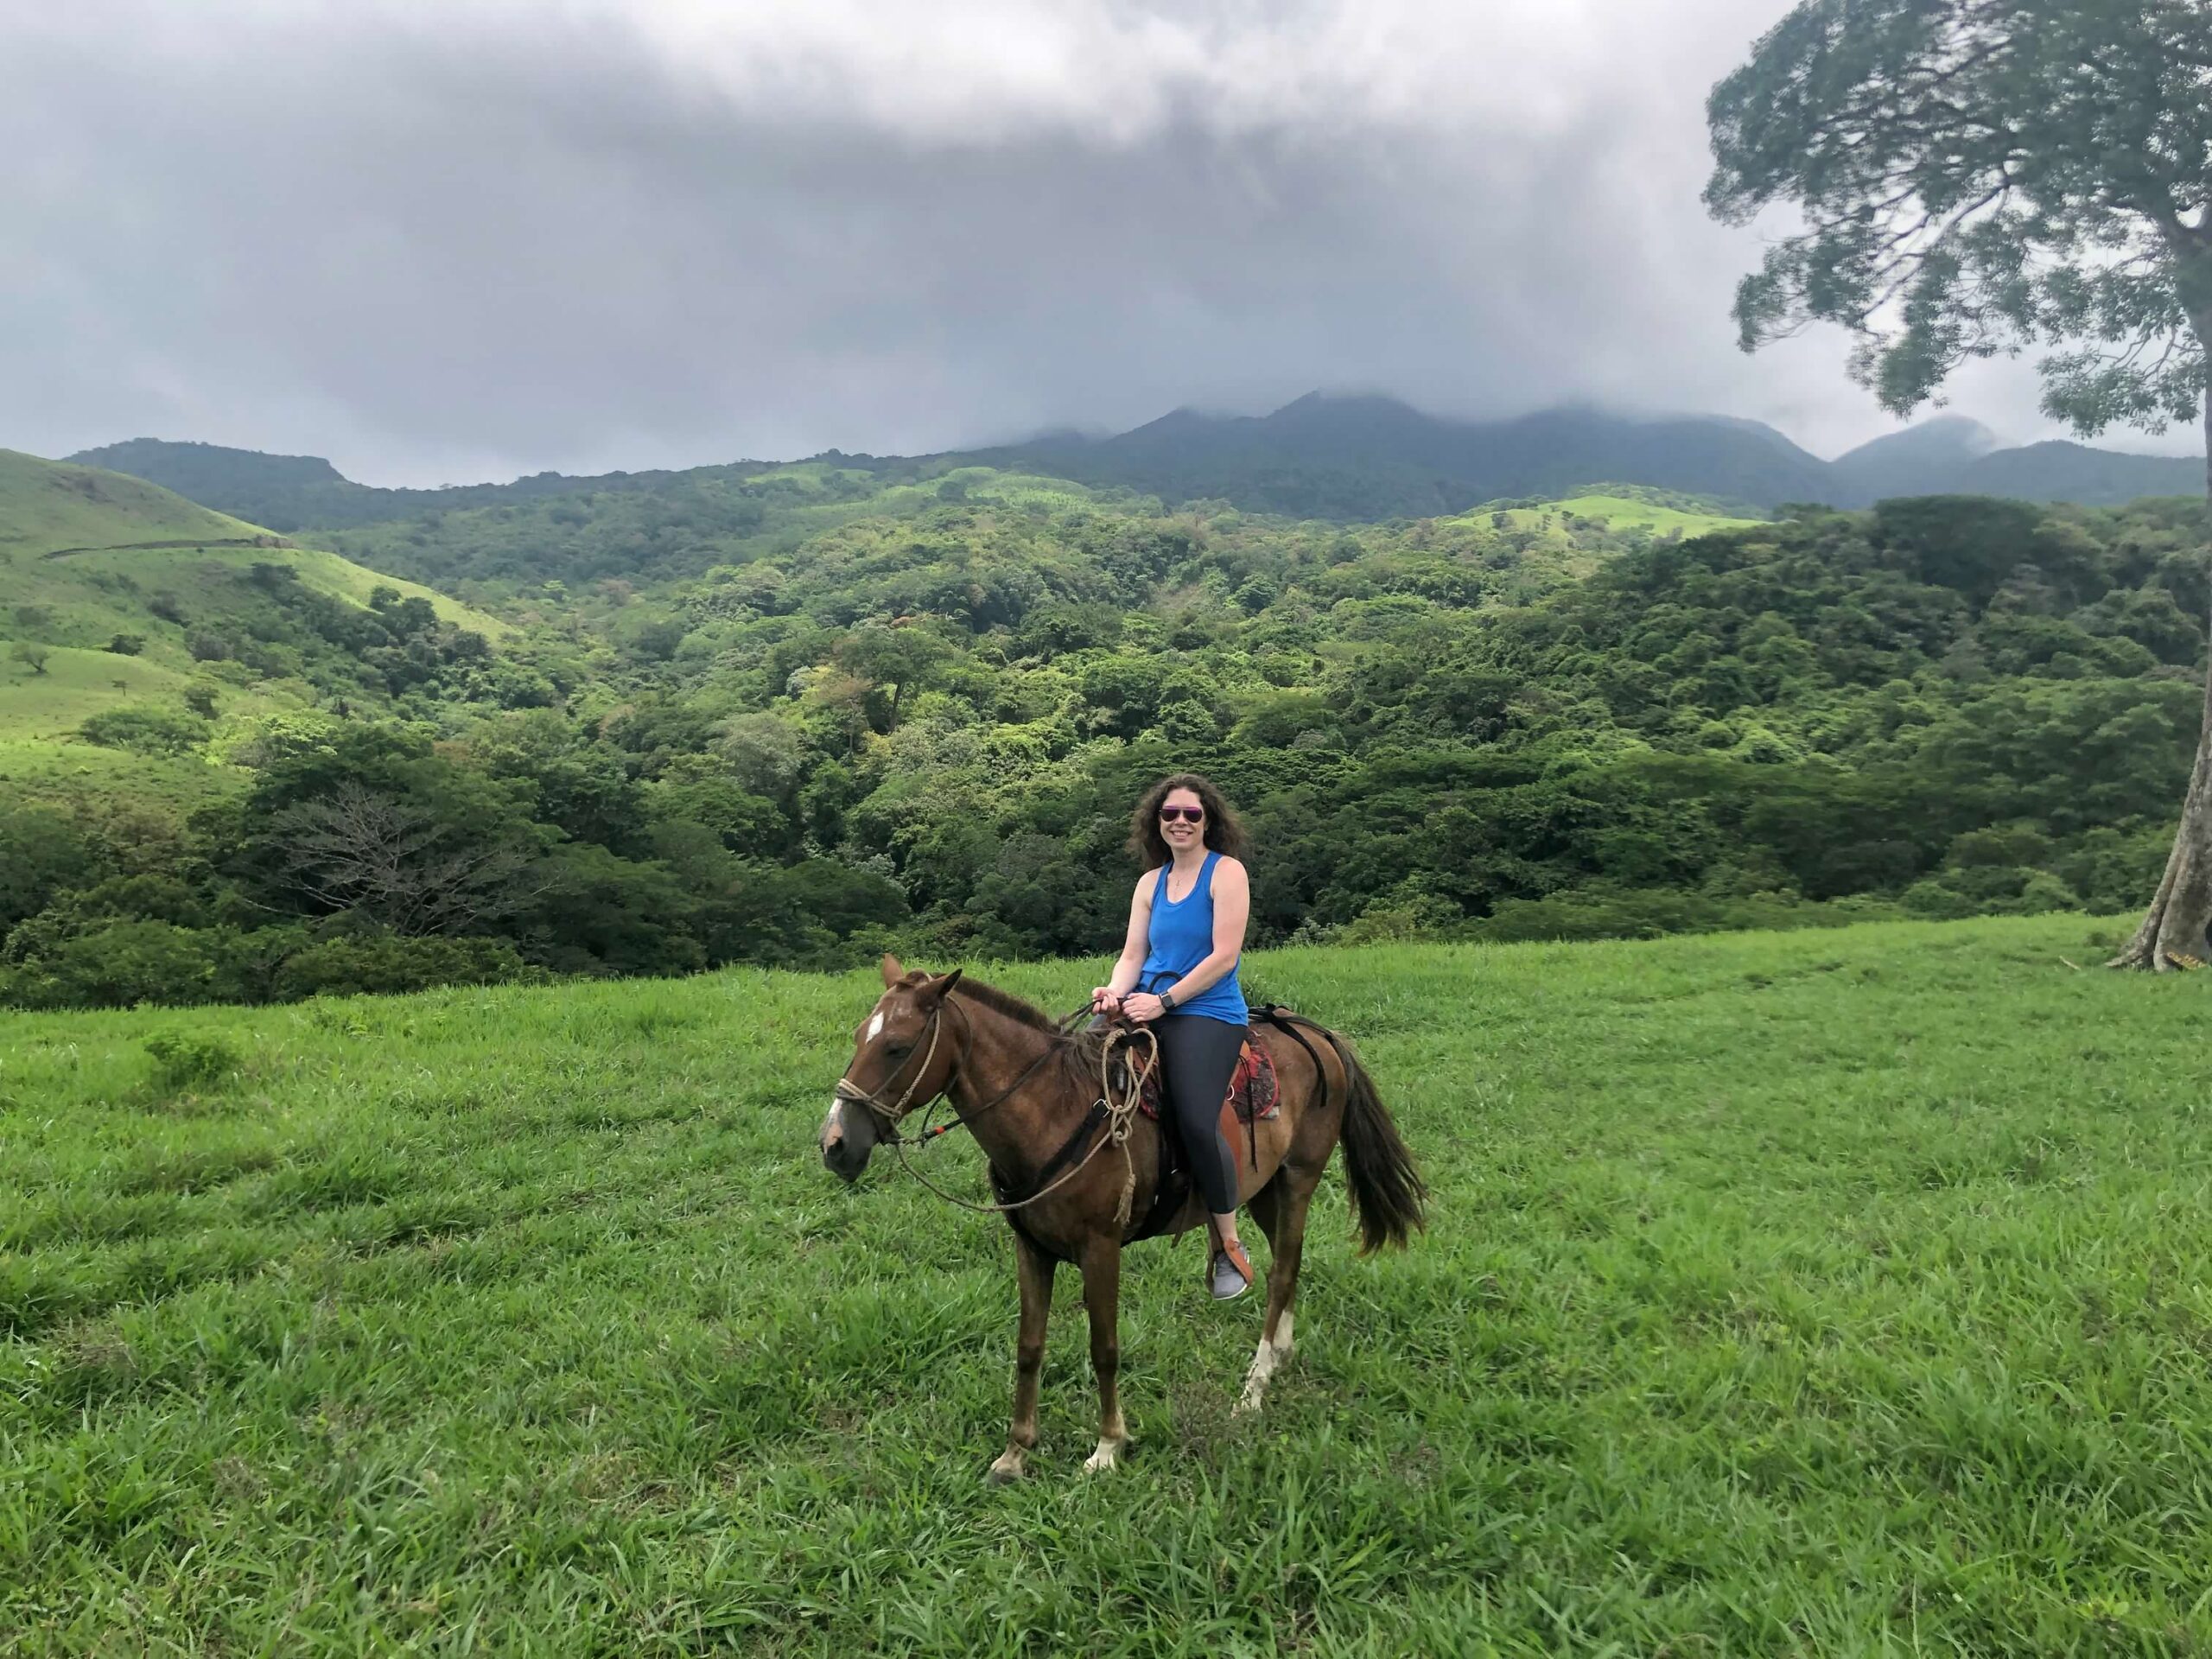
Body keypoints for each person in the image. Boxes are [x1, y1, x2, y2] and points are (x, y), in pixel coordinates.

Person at [1090, 772, 1256, 1300]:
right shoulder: (1149, 884)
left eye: (1191, 814)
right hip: (1145, 1003)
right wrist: (1115, 992)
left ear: (1209, 820)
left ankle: (1227, 1243)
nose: (1180, 822)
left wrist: (1163, 1001)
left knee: (1193, 1115)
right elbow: (1133, 955)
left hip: (1206, 1010)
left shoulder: (1226, 874)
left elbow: (1223, 957)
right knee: (1080, 1075)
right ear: (1155, 822)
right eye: (1170, 814)